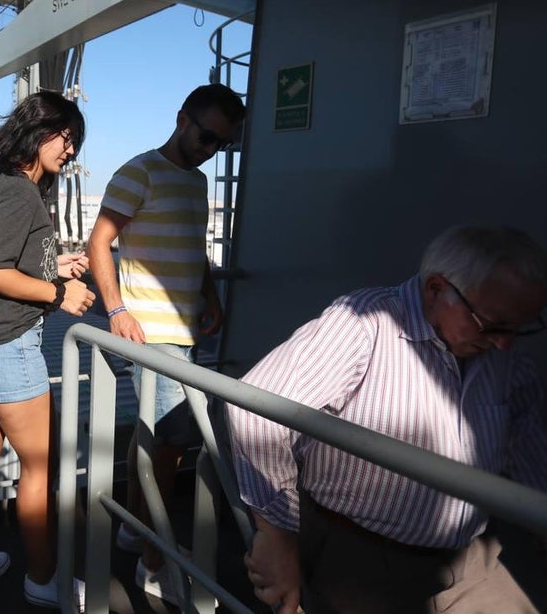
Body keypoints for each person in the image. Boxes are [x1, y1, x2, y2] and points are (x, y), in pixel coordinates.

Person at [227, 224, 547, 614]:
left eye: (520, 327)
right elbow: (256, 409)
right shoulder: (365, 324)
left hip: (473, 557)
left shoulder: (506, 357)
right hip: (360, 558)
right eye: (493, 323)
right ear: (435, 290)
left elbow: (528, 450)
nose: (504, 342)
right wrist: (277, 533)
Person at [86, 82, 245, 604]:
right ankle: (154, 562)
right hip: (149, 335)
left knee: (157, 444)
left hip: (181, 333)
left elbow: (194, 246)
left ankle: (135, 532)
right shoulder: (139, 171)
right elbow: (99, 241)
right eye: (205, 137)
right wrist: (116, 310)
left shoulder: (197, 183)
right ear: (181, 119)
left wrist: (209, 293)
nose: (209, 149)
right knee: (169, 446)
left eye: (219, 144)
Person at [0, 90, 95, 612]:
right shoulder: (19, 192)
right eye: (66, 137)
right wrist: (58, 293)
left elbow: (12, 262)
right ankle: (42, 580)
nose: (71, 150)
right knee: (39, 468)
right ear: (40, 131)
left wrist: (56, 266)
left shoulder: (10, 185)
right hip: (7, 347)